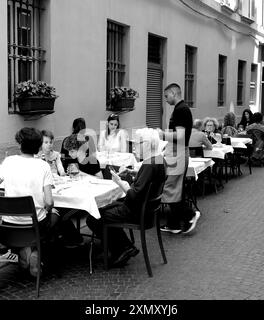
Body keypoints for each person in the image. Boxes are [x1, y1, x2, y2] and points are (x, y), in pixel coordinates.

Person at [86, 128, 166, 267]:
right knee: (104, 210)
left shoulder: (148, 164)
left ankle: (119, 250)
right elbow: (146, 184)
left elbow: (134, 194)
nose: (134, 147)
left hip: (135, 212)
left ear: (147, 144)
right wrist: (133, 172)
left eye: (137, 143)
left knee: (93, 217)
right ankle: (125, 247)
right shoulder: (158, 160)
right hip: (147, 211)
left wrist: (119, 182)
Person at [0, 127, 60, 276]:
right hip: (34, 227)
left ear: (20, 144)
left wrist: (6, 200)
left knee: (34, 220)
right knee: (57, 216)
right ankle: (38, 253)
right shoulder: (43, 166)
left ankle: (25, 251)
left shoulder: (8, 162)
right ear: (39, 146)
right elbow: (49, 201)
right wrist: (49, 209)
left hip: (8, 228)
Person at [158, 83, 200, 234]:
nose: (166, 99)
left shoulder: (181, 110)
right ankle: (174, 224)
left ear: (174, 93)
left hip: (179, 153)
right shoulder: (180, 109)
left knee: (169, 188)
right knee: (175, 189)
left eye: (166, 96)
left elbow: (181, 136)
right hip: (177, 152)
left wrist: (162, 134)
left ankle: (190, 214)